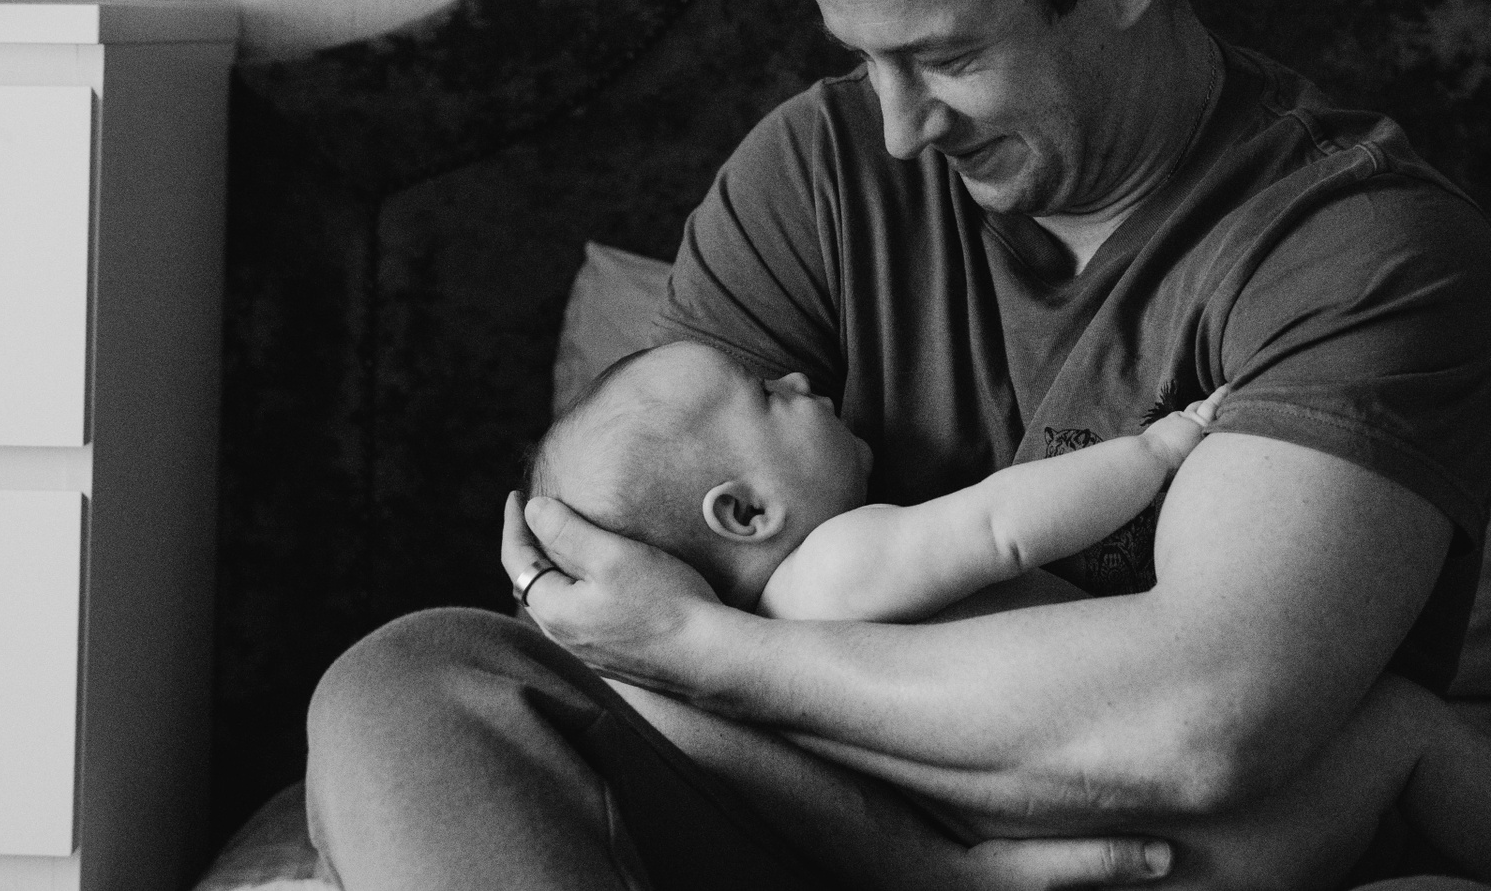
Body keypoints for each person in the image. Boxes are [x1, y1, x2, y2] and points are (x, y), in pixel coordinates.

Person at [306, 0, 1491, 890]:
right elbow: (619, 624)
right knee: (408, 682)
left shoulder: (1358, 247)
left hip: (1142, 857)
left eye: (948, 57)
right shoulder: (816, 171)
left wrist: (715, 651)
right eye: (864, 58)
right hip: (812, 819)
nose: (898, 126)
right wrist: (917, 862)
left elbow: (1199, 724)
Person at [520, 339, 1491, 886]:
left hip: (1119, 856)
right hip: (1193, 818)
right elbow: (1002, 526)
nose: (803, 381)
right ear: (745, 513)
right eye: (769, 396)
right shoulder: (836, 568)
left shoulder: (744, 678)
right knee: (1405, 726)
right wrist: (1160, 449)